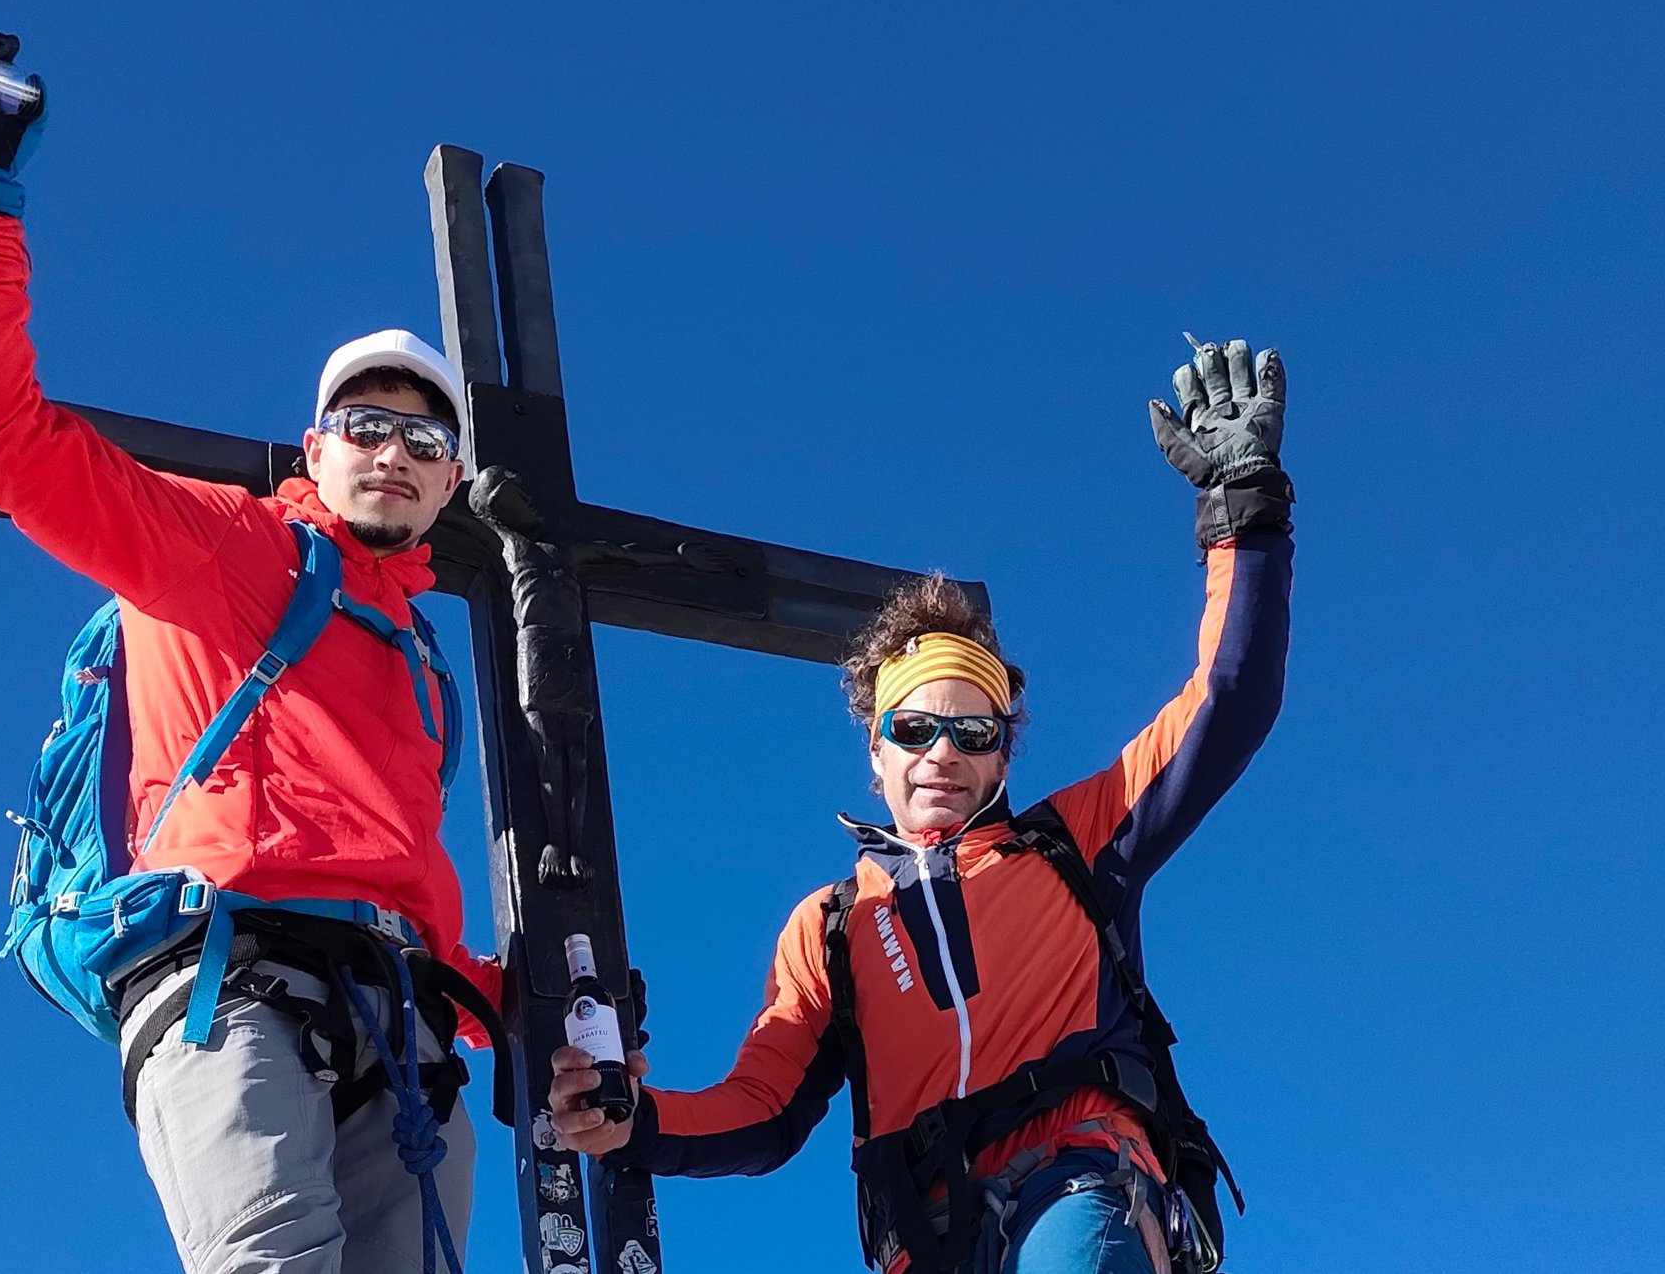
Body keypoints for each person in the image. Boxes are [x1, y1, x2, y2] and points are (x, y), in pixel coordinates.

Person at [0, 30, 495, 1274]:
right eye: (365, 423)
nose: (391, 451)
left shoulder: (423, 659)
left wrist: (518, 1005)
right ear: (315, 445)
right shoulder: (227, 547)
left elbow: (404, 878)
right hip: (227, 968)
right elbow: (3, 440)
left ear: (451, 482)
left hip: (399, 1012)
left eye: (422, 438)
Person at [549, 337, 1295, 1274]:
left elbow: (1230, 699)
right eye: (914, 728)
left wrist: (1243, 511)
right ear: (875, 747)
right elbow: (764, 1107)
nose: (942, 751)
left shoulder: (1074, 842)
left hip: (1078, 1181)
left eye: (974, 732)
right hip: (929, 1241)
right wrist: (637, 1126)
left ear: (1003, 753)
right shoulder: (830, 929)